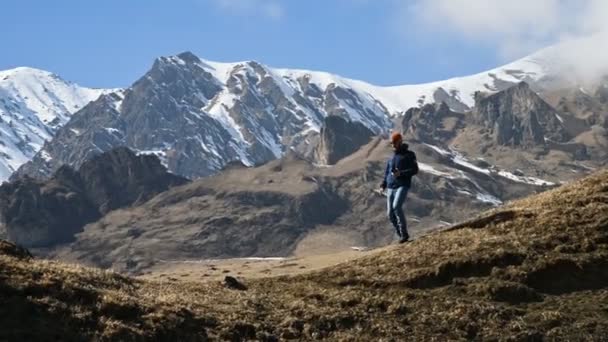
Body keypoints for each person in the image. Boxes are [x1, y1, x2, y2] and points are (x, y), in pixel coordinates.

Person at [380, 132, 418, 243]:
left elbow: (414, 170)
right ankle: (401, 235)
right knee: (390, 214)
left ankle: (404, 235)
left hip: (402, 185)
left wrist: (401, 173)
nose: (393, 145)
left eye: (394, 143)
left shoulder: (409, 155)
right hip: (391, 187)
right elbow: (387, 173)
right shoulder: (391, 158)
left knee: (397, 206)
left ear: (400, 142)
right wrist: (383, 185)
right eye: (391, 143)